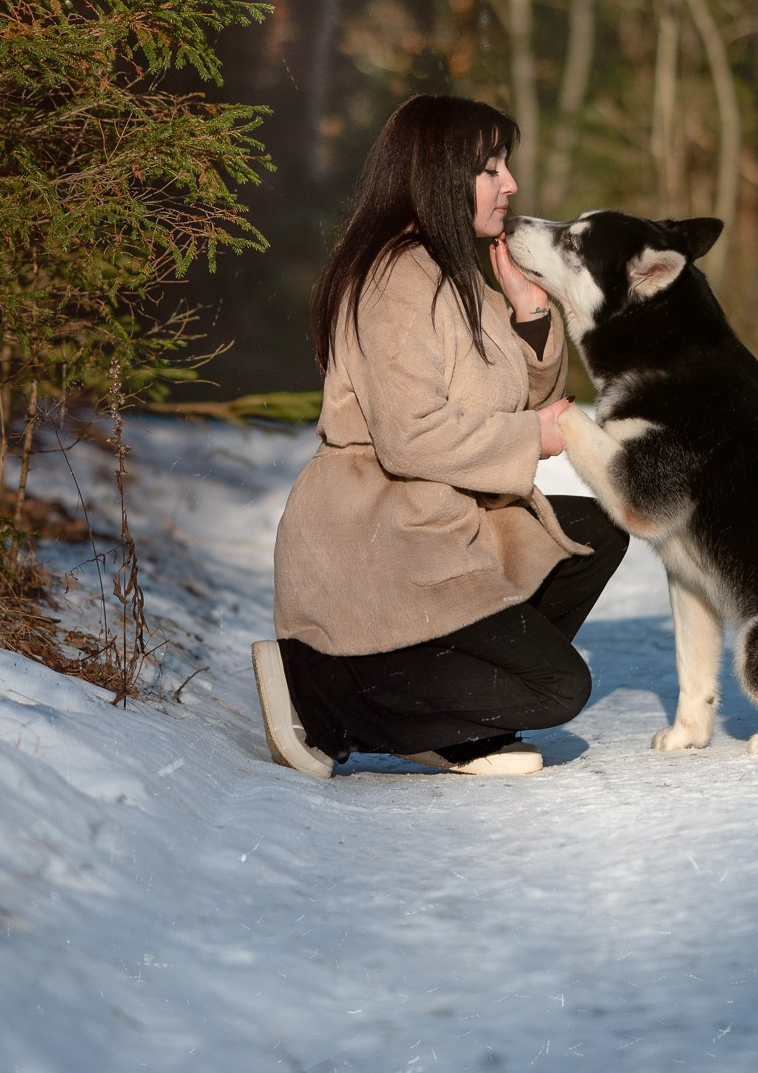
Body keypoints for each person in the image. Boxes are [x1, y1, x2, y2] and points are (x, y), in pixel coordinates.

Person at [252, 94, 629, 777]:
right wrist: (528, 437)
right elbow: (409, 437)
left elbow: (524, 400)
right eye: (490, 167)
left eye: (505, 164)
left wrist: (529, 312)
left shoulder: (453, 272)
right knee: (558, 689)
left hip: (442, 526)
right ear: (439, 174)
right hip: (378, 544)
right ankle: (323, 693)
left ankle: (445, 719)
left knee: (594, 536)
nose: (509, 183)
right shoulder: (396, 277)